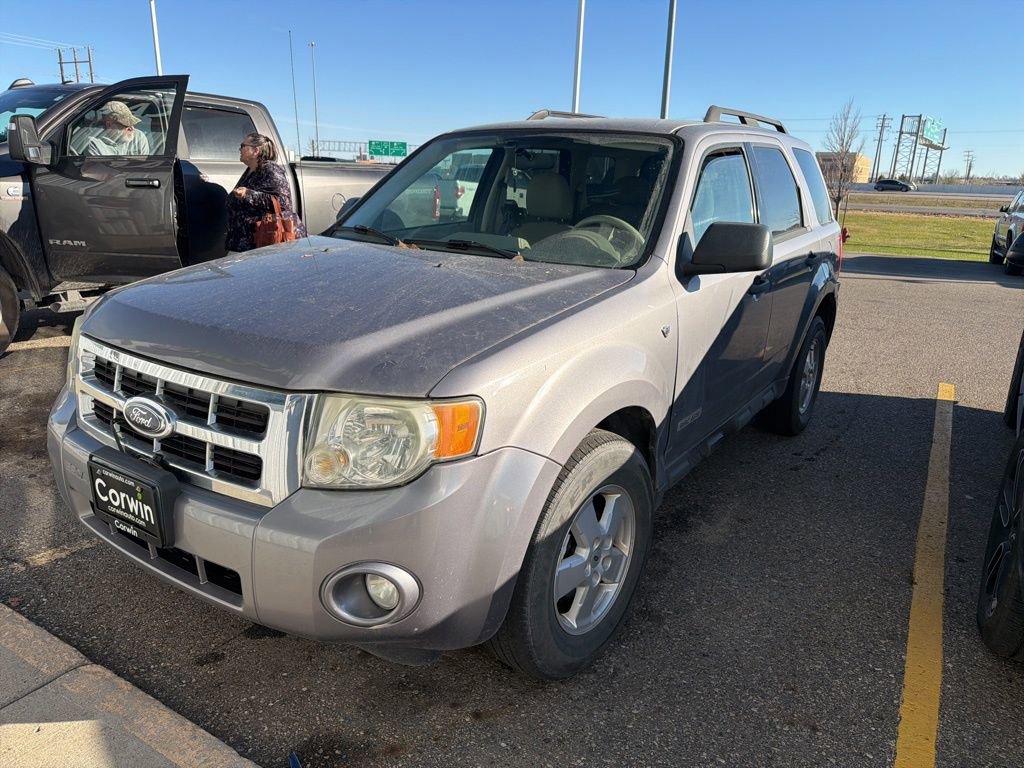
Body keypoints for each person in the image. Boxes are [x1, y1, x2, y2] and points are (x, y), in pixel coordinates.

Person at [225, 132, 306, 252]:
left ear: (255, 150)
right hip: (248, 242)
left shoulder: (271, 170)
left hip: (265, 242)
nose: (239, 149)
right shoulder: (251, 170)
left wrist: (248, 194)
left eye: (243, 146)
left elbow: (282, 202)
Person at [78, 101, 151, 156]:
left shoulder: (138, 137)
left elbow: (145, 167)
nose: (132, 128)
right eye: (126, 125)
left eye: (132, 123)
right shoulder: (94, 144)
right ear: (109, 124)